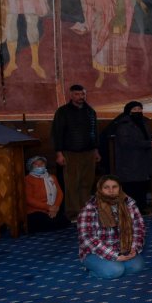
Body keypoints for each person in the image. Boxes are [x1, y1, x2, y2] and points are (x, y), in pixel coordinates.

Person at [77, 174, 146, 279]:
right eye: (106, 187)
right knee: (115, 271)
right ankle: (94, 270)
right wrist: (114, 256)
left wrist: (133, 248)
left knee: (137, 266)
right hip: (95, 251)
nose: (111, 190)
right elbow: (87, 238)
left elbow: (139, 228)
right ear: (100, 189)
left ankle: (110, 267)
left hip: (122, 248)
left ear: (120, 188)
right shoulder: (90, 208)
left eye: (114, 187)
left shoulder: (129, 204)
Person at [52, 84, 99, 221]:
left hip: (89, 152)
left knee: (87, 182)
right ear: (71, 95)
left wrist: (96, 150)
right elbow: (57, 133)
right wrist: (59, 153)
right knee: (72, 183)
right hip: (70, 152)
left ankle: (85, 210)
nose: (80, 97)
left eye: (83, 94)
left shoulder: (90, 111)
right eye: (77, 94)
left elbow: (94, 132)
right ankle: (72, 212)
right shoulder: (63, 112)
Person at [109, 101, 152, 212]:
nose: (138, 111)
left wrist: (150, 143)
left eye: (140, 109)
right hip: (129, 161)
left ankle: (141, 208)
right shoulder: (123, 125)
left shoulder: (143, 123)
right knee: (131, 186)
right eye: (135, 109)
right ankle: (130, 209)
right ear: (128, 111)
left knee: (141, 185)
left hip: (142, 160)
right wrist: (147, 144)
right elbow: (126, 142)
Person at [24, 155, 69, 233]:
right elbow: (29, 199)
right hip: (36, 211)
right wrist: (48, 207)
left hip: (52, 209)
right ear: (31, 166)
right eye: (36, 164)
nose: (39, 166)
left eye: (42, 163)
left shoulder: (52, 177)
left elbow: (60, 193)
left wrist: (55, 207)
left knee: (64, 220)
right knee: (40, 220)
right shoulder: (28, 179)